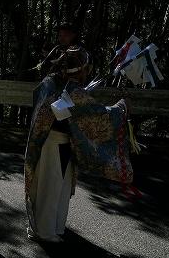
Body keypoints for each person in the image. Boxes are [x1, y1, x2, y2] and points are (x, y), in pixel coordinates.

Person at [25, 46, 133, 242]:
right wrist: (122, 106)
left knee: (51, 185)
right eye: (85, 69)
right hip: (59, 142)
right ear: (80, 69)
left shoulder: (49, 82)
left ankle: (51, 228)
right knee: (54, 188)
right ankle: (47, 231)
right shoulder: (74, 91)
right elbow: (99, 115)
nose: (86, 73)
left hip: (47, 141)